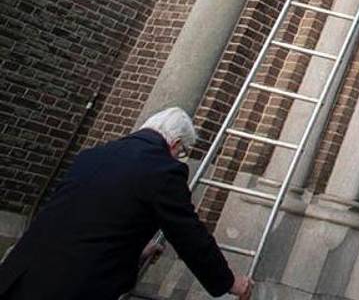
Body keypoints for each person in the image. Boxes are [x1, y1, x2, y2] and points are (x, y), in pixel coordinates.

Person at [0, 108, 252, 299]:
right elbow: (189, 235)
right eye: (182, 152)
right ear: (175, 144)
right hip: (68, 289)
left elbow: (84, 222)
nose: (179, 158)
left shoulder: (92, 156)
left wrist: (135, 253)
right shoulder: (163, 170)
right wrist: (228, 282)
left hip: (18, 275)